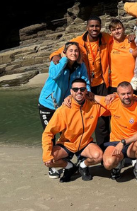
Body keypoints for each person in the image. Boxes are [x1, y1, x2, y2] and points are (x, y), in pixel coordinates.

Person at [48, 16, 111, 147]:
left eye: (97, 26)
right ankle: (79, 147)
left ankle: (103, 149)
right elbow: (61, 51)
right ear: (87, 27)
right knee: (80, 117)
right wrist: (54, 56)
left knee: (102, 121)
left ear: (100, 27)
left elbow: (120, 39)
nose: (94, 29)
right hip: (82, 87)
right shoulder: (78, 41)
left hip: (101, 84)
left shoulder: (106, 38)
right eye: (92, 26)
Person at [39, 41, 91, 175]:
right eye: (70, 51)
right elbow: (54, 75)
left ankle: (66, 161)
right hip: (48, 104)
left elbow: (85, 82)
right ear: (65, 52)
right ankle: (52, 164)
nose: (74, 53)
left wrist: (87, 94)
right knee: (50, 135)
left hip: (65, 105)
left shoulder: (80, 66)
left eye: (76, 51)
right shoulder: (56, 62)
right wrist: (63, 60)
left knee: (66, 135)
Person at [42, 78, 107, 182]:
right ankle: (69, 167)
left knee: (99, 156)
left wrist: (95, 97)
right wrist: (46, 154)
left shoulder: (94, 106)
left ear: (86, 91)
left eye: (82, 89)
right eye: (75, 89)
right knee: (49, 160)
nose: (79, 92)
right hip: (67, 144)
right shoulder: (63, 110)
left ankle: (83, 165)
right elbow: (48, 133)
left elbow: (114, 105)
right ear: (71, 91)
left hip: (85, 143)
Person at [96, 81, 137, 183]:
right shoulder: (112, 102)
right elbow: (92, 96)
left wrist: (124, 142)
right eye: (123, 94)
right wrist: (68, 98)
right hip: (115, 142)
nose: (126, 96)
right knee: (108, 164)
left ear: (132, 92)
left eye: (129, 93)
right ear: (118, 94)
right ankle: (118, 164)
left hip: (131, 144)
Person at [108, 19, 137, 93]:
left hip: (133, 83)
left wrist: (135, 35)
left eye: (119, 28)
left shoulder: (132, 40)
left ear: (123, 29)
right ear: (111, 32)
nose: (117, 31)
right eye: (113, 30)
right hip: (115, 84)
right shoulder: (109, 43)